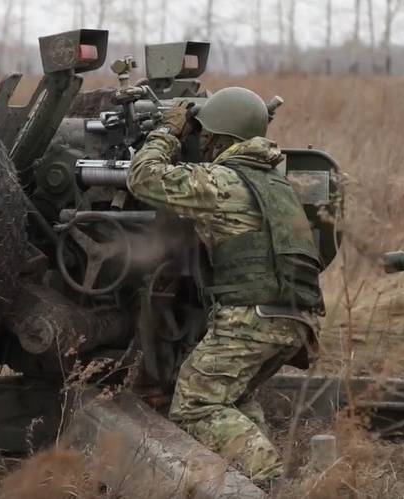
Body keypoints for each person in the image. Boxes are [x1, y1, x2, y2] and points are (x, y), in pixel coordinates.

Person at [126, 87, 324, 485]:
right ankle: (251, 482)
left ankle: (273, 481)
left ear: (219, 139)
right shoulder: (276, 183)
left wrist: (166, 131)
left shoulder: (222, 182)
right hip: (295, 318)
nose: (201, 141)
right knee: (233, 398)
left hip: (252, 318)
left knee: (197, 403)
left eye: (205, 135)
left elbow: (142, 178)